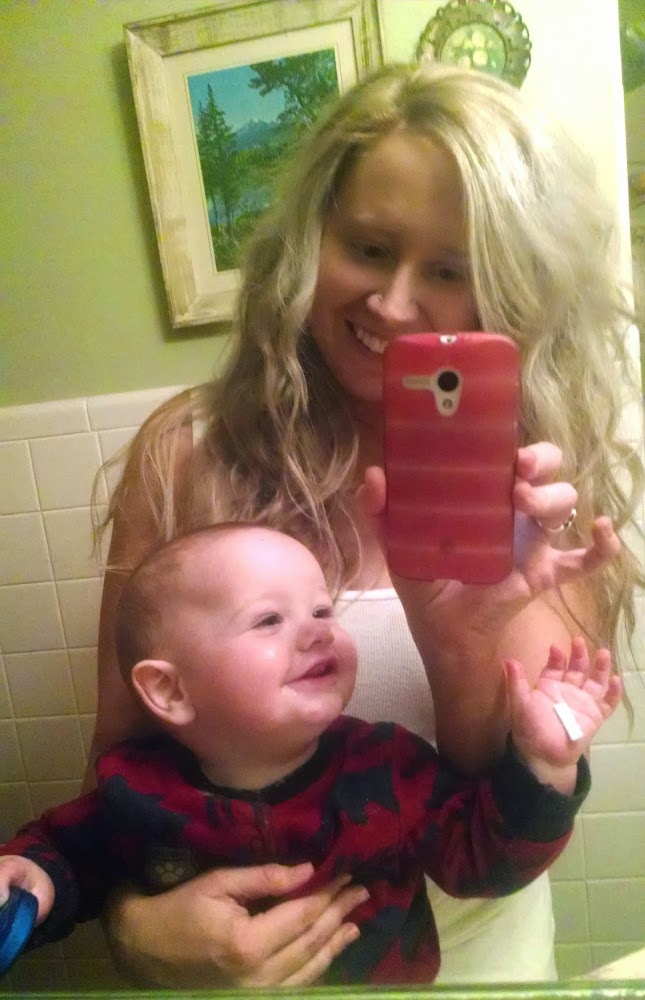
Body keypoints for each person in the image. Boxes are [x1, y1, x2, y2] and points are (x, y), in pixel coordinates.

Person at [87, 62, 643, 987]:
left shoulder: (539, 489)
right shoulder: (187, 453)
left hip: (483, 972)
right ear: (312, 240)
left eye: (449, 270)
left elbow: (509, 824)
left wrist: (456, 641)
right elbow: (117, 775)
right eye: (369, 248)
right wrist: (136, 929)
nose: (391, 303)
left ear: (507, 289)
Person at [0, 525, 623, 985]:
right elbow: (68, 855)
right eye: (269, 620)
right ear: (169, 691)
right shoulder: (135, 788)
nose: (319, 629)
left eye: (324, 609)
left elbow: (486, 861)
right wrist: (31, 877)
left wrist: (544, 767)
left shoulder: (388, 768)